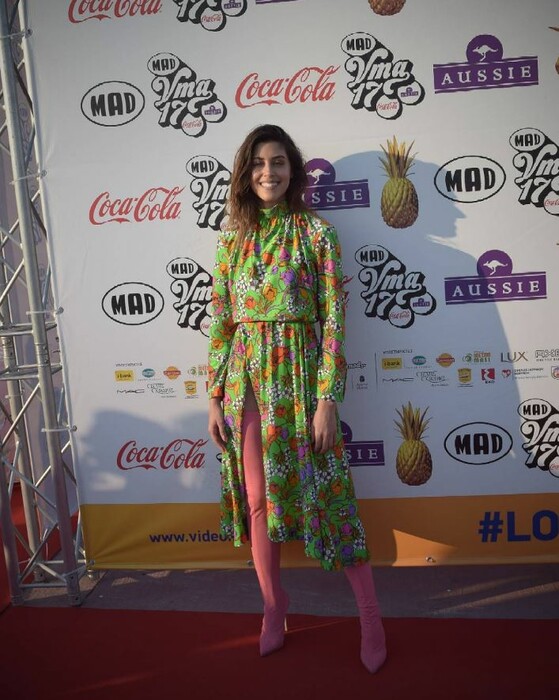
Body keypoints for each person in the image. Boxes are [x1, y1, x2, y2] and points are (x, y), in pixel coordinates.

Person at [207, 124, 386, 673]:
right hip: (246, 385)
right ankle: (273, 606)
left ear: (294, 169)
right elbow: (222, 323)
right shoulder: (231, 240)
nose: (269, 172)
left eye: (279, 162)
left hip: (303, 381)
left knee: (332, 498)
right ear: (246, 173)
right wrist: (213, 395)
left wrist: (328, 399)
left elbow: (334, 322)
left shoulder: (317, 235)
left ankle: (371, 618)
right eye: (259, 163)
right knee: (258, 502)